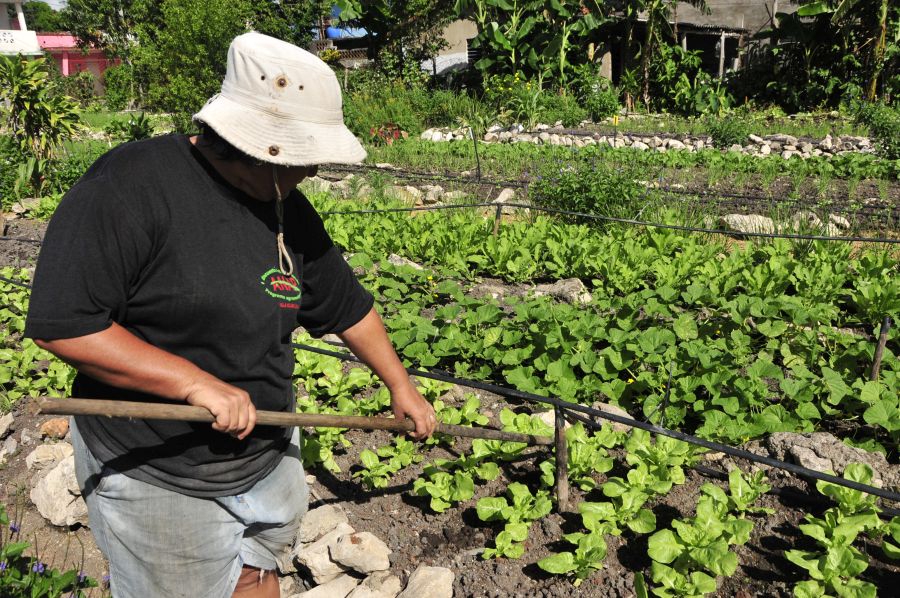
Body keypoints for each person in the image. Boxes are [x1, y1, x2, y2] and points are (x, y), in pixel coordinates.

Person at [24, 32, 436, 598]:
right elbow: (65, 324)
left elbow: (345, 303)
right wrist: (196, 385)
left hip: (267, 454)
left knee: (258, 572)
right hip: (159, 470)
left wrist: (401, 385)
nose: (312, 170)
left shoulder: (283, 204)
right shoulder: (129, 186)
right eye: (303, 156)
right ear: (257, 146)